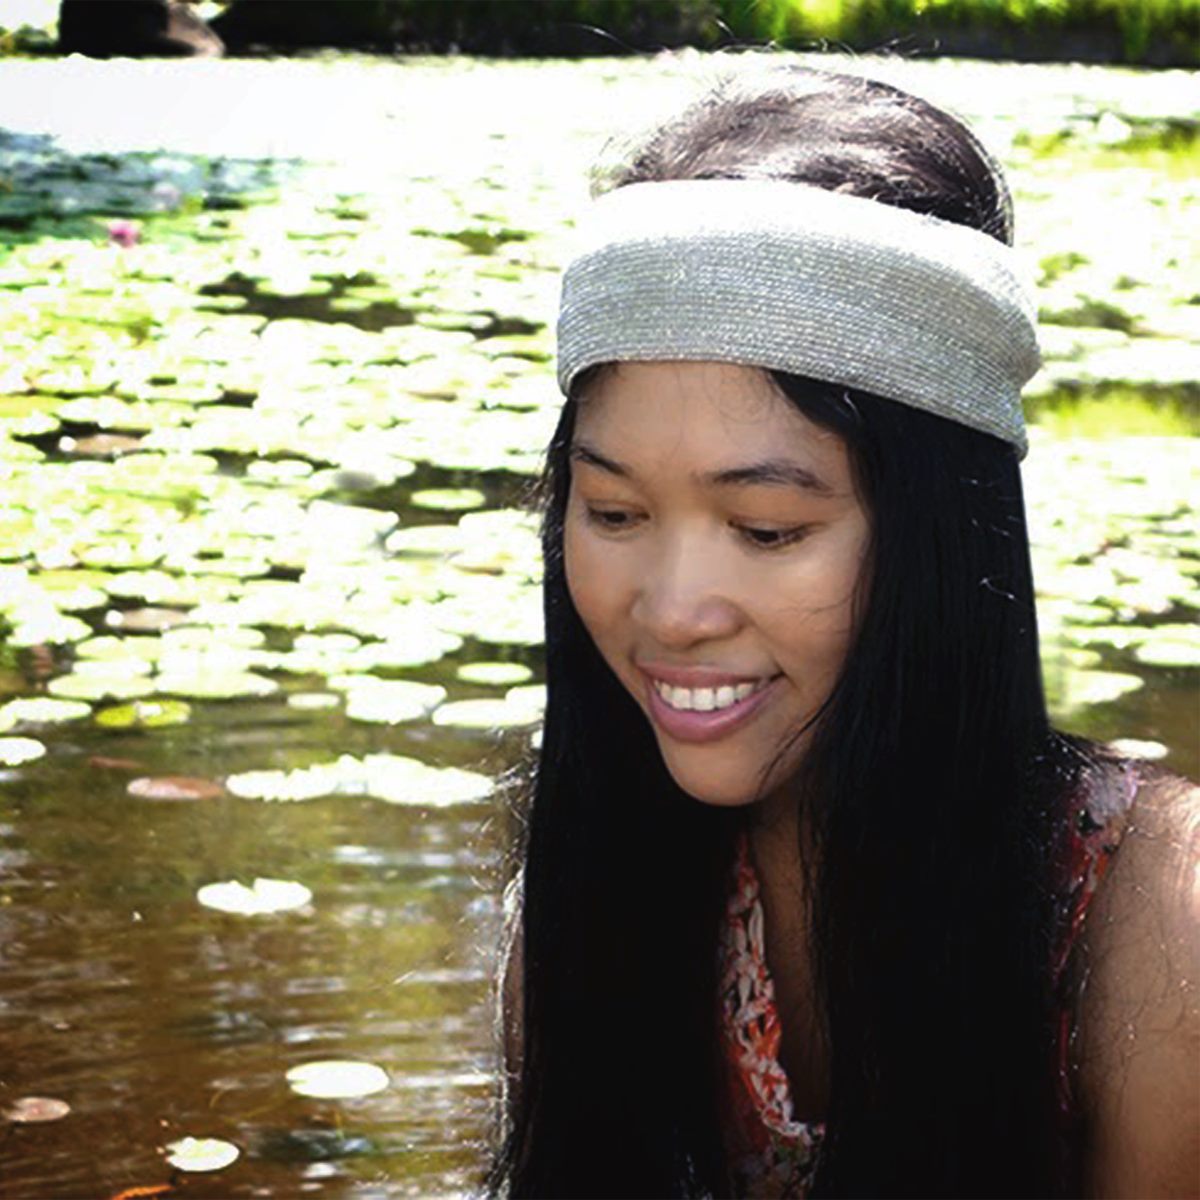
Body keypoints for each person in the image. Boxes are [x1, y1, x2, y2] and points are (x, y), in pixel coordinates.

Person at [488, 63, 1198, 1199]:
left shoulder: (1155, 922)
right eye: (613, 512)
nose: (672, 609)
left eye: (766, 530)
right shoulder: (588, 898)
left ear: (938, 538)